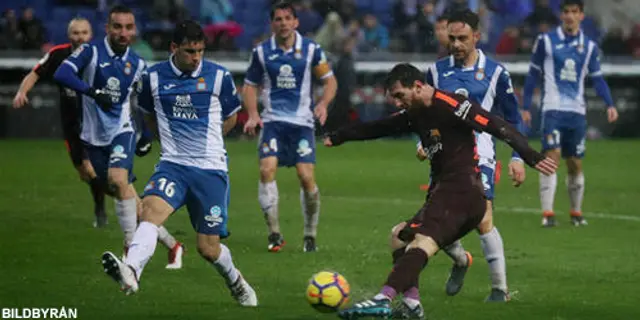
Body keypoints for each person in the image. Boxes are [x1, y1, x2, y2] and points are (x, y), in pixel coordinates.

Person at [324, 63, 557, 319]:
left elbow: (494, 124)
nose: (398, 103)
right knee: (399, 237)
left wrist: (529, 155)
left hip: (463, 191)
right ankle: (412, 305)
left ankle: (383, 298)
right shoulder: (415, 112)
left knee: (422, 243)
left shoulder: (450, 103)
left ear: (418, 86)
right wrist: (339, 136)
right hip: (444, 192)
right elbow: (378, 127)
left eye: (400, 95)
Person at [99, 20, 258, 307]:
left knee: (208, 249)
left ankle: (237, 281)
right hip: (173, 165)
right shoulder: (153, 77)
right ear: (174, 48)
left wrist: (210, 140)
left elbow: (232, 116)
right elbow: (148, 116)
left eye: (200, 51)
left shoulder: (218, 76)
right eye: (189, 51)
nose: (196, 58)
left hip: (211, 170)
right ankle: (131, 270)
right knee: (149, 213)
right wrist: (168, 142)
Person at [53, 5, 183, 268]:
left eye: (128, 27)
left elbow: (140, 101)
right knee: (130, 199)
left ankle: (128, 250)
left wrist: (146, 133)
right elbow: (62, 73)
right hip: (93, 138)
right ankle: (173, 245)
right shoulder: (90, 52)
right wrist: (91, 91)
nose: (123, 32)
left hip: (122, 132)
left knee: (118, 179)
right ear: (107, 28)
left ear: (134, 29)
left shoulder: (137, 63)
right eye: (117, 27)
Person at [416, 9, 524, 303]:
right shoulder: (436, 72)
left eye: (462, 38)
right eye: (452, 38)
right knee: (436, 221)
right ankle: (462, 259)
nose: (456, 44)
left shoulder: (496, 73)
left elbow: (514, 117)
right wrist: (424, 141)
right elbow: (425, 113)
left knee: (482, 216)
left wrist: (517, 157)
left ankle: (500, 290)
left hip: (481, 151)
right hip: (445, 154)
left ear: (477, 36)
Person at [242, 1, 337, 253]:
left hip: (302, 123)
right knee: (266, 170)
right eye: (278, 19)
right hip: (273, 122)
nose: (283, 23)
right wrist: (253, 114)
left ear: (296, 22)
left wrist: (324, 104)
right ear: (272, 23)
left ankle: (310, 234)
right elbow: (249, 85)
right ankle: (274, 232)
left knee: (306, 177)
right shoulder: (262, 52)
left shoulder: (311, 50)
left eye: (287, 18)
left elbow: (330, 81)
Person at [522, 0, 618, 227]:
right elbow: (532, 74)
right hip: (553, 109)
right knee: (551, 157)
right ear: (561, 15)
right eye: (566, 12)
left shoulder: (590, 46)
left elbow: (597, 78)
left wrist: (610, 104)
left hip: (576, 112)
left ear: (581, 16)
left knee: (574, 163)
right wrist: (525, 106)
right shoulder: (546, 42)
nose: (570, 16)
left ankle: (576, 212)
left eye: (574, 12)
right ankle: (548, 214)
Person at [12, 18, 108, 227]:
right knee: (85, 174)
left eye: (84, 32)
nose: (80, 37)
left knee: (92, 170)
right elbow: (34, 73)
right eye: (75, 33)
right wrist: (22, 91)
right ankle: (107, 195)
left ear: (90, 35)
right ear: (68, 35)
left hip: (95, 123)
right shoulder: (57, 55)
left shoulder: (100, 56)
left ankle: (102, 211)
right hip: (71, 124)